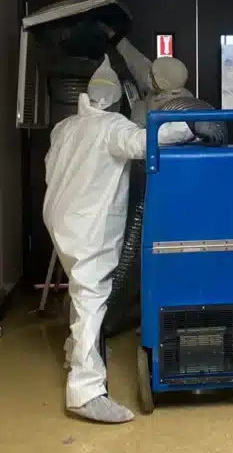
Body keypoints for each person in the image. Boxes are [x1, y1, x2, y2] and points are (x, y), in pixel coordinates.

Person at [43, 56, 191, 424]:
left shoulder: (64, 127)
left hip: (59, 220)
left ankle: (72, 350)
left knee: (81, 289)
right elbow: (149, 141)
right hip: (88, 225)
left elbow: (50, 167)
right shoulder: (112, 127)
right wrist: (190, 126)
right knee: (92, 297)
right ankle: (86, 390)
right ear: (114, 101)